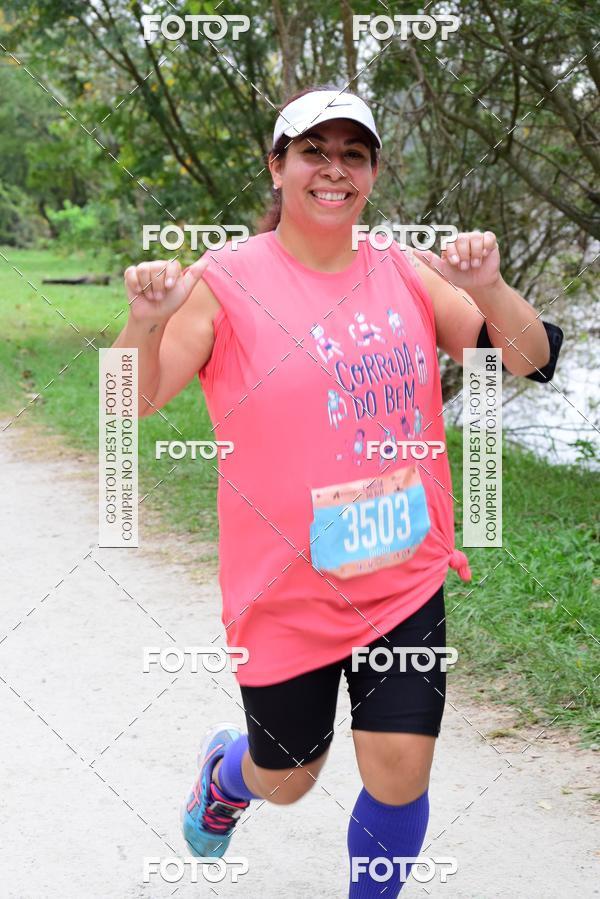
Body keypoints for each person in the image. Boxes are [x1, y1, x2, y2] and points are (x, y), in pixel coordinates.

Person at [113, 84, 563, 896]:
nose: (334, 169)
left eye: (353, 154)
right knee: (289, 774)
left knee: (399, 767)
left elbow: (526, 356)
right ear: (276, 166)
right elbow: (128, 403)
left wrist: (492, 288)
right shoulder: (224, 280)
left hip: (402, 571)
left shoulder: (403, 269)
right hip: (284, 589)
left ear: (373, 174)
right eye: (313, 151)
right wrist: (144, 319)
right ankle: (226, 777)